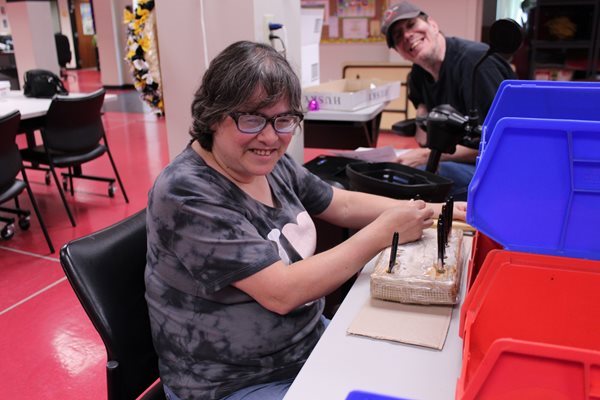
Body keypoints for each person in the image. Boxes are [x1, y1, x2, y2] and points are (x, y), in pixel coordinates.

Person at [145, 40, 467, 400]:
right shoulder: (187, 192)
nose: (270, 136)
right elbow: (282, 292)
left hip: (305, 345)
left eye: (283, 120)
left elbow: (339, 204)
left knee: (422, 375)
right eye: (250, 118)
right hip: (233, 382)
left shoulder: (267, 163)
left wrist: (427, 210)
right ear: (212, 116)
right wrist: (382, 233)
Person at [381, 1, 516, 201]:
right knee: (390, 173)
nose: (407, 36)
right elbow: (422, 119)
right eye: (398, 36)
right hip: (460, 160)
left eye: (411, 25)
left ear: (433, 25)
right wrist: (423, 125)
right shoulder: (418, 75)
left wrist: (426, 154)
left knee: (417, 180)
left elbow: (501, 145)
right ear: (399, 51)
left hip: (501, 166)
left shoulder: (476, 65)